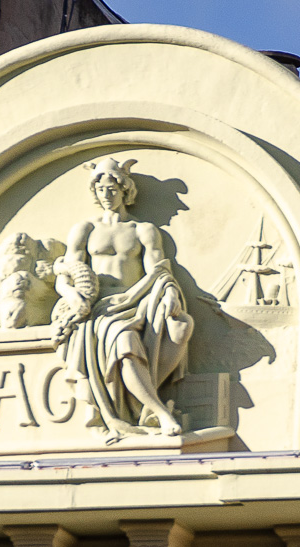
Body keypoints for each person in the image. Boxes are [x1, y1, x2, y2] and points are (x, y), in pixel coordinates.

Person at [50, 157, 195, 438]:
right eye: (101, 189)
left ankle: (140, 399)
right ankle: (159, 412)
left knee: (182, 326)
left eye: (113, 189)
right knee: (124, 340)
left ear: (125, 190)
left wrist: (170, 292)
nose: (107, 195)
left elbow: (159, 271)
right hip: (98, 308)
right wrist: (71, 295)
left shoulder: (143, 231)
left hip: (136, 301)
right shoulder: (86, 229)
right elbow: (65, 274)